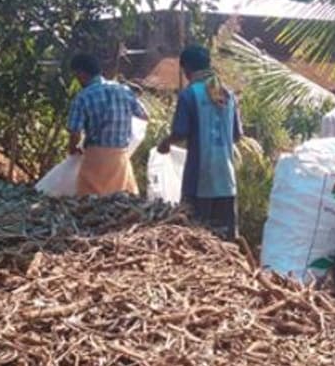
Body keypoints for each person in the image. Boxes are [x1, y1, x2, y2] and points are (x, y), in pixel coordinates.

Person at [157, 44, 243, 240]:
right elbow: (237, 136)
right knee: (225, 239)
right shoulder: (227, 94)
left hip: (200, 178)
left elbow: (180, 131)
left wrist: (166, 143)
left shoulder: (190, 94)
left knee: (198, 237)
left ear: (186, 69)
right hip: (226, 179)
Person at [66, 53, 148, 196]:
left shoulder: (83, 97)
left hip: (95, 160)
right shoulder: (124, 90)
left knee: (89, 203)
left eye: (76, 75)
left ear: (81, 73)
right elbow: (144, 115)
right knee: (121, 204)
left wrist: (73, 149)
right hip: (120, 159)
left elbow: (75, 131)